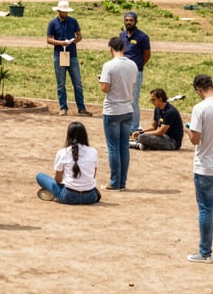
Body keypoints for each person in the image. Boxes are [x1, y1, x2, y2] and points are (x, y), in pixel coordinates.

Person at [185, 74, 213, 262]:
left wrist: (188, 130)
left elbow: (195, 139)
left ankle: (205, 252)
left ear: (198, 90)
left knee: (205, 210)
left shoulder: (199, 108)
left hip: (205, 168)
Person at [99, 36, 138, 191]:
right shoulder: (133, 65)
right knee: (123, 147)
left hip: (113, 109)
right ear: (124, 48)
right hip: (128, 108)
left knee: (113, 147)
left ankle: (114, 182)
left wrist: (101, 81)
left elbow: (105, 88)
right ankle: (122, 181)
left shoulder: (109, 66)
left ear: (111, 49)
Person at [36, 121, 101, 204]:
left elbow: (58, 180)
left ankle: (56, 194)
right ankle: (57, 193)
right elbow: (93, 175)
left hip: (69, 196)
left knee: (40, 176)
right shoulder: (93, 152)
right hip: (90, 197)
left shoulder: (62, 152)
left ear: (68, 135)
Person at [46, 0, 90, 118]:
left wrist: (74, 40)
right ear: (59, 11)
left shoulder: (73, 21)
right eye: (63, 12)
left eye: (67, 12)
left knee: (78, 83)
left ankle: (81, 107)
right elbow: (49, 39)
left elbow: (79, 35)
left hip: (72, 55)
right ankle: (63, 107)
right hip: (59, 54)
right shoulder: (53, 23)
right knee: (61, 83)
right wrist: (60, 43)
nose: (65, 14)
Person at [120, 11, 151, 132]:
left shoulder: (142, 37)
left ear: (136, 22)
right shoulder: (122, 35)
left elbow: (147, 55)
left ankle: (134, 127)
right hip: (122, 72)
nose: (128, 22)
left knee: (134, 99)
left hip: (135, 72)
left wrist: (138, 66)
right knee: (123, 98)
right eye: (126, 20)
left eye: (131, 20)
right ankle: (124, 124)